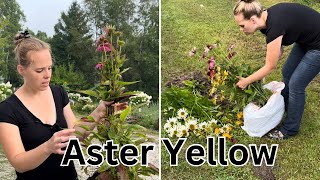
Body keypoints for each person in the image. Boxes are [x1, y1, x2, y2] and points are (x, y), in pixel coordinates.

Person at [0, 31, 126, 179]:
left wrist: (99, 112)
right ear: (21, 70)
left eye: (50, 68)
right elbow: (18, 163)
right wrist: (47, 147)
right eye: (39, 70)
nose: (47, 75)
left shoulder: (58, 94)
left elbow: (76, 135)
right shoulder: (7, 109)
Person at [233, 0, 320, 139]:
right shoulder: (265, 23)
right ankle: (285, 105)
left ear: (253, 19)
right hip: (306, 40)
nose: (241, 29)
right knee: (287, 72)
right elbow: (277, 51)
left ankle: (290, 129)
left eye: (242, 25)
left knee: (296, 84)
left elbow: (270, 66)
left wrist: (247, 81)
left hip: (318, 45)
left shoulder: (274, 26)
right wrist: (262, 72)